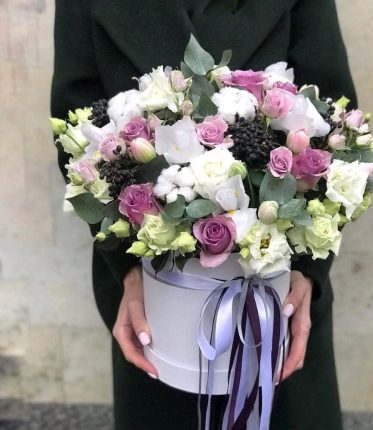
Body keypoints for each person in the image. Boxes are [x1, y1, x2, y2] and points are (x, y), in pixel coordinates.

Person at [51, 1, 357, 429]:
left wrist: (308, 272)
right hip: (152, 288)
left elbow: (333, 127)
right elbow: (77, 130)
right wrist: (128, 271)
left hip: (279, 284)